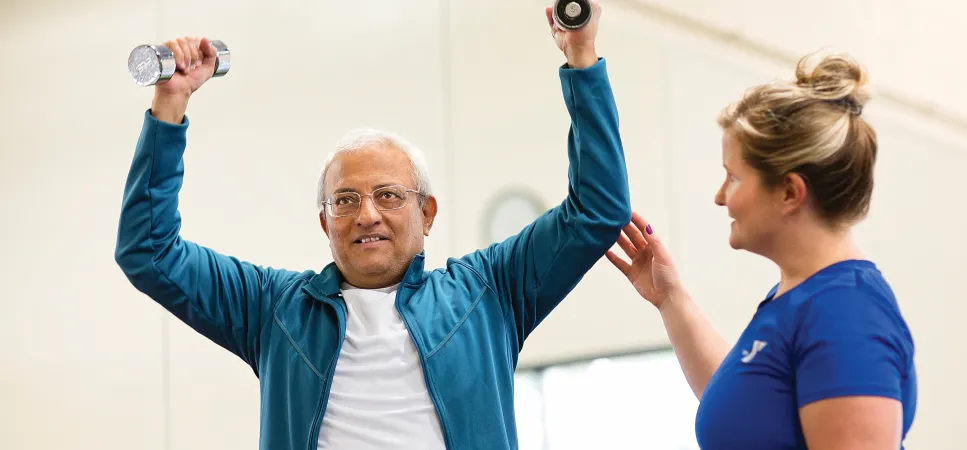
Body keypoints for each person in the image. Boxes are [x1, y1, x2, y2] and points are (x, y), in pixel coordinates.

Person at [114, 3, 630, 449]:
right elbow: (149, 251)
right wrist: (170, 104)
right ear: (324, 222)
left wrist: (581, 59)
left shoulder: (488, 293)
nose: (366, 214)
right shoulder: (273, 310)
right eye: (345, 200)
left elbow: (597, 211)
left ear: (427, 213)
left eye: (388, 196)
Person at [604, 51, 917, 449]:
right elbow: (748, 405)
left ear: (789, 192)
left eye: (733, 177)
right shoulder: (801, 296)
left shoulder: (845, 312)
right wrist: (670, 299)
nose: (720, 197)